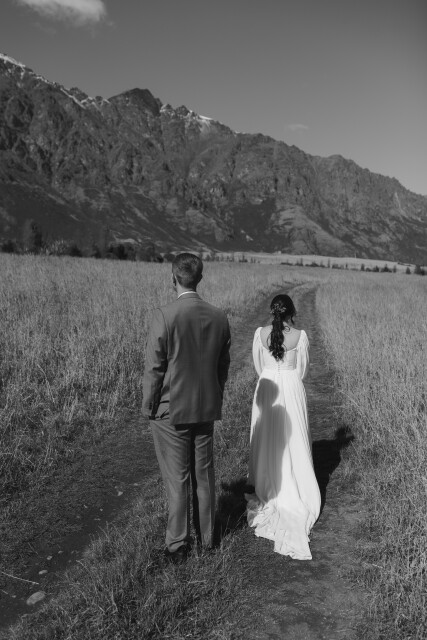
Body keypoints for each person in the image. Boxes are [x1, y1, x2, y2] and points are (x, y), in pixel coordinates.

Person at [142, 253, 231, 564]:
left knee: (177, 478)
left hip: (171, 411)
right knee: (204, 474)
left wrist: (149, 406)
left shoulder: (164, 316)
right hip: (205, 408)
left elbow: (154, 367)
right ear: (200, 278)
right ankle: (208, 539)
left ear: (173, 278)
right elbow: (222, 366)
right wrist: (216, 396)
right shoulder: (219, 317)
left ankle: (178, 545)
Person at [245, 294, 320, 560]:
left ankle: (267, 481)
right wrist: (287, 377)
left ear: (272, 311)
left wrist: (271, 374)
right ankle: (295, 482)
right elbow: (303, 369)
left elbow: (258, 364)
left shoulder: (260, 334)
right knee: (294, 437)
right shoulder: (300, 336)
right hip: (290, 385)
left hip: (267, 387)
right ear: (292, 312)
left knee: (265, 436)